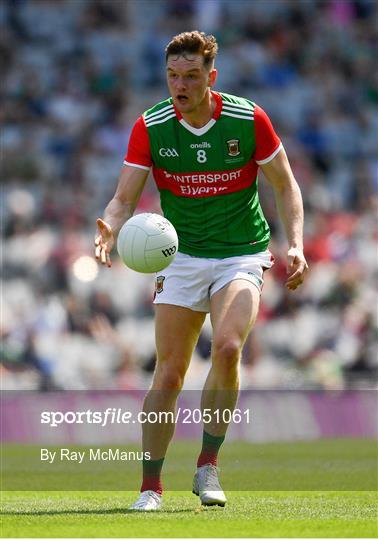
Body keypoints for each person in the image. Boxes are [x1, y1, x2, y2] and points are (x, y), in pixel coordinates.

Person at [95, 31, 308, 511]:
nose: (180, 86)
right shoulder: (151, 125)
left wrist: (294, 243)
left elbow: (285, 184)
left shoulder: (247, 118)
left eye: (191, 76)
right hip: (183, 256)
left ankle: (207, 464)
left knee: (229, 347)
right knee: (169, 374)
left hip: (241, 252)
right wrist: (109, 227)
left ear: (211, 77)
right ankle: (150, 487)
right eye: (173, 76)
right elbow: (124, 197)